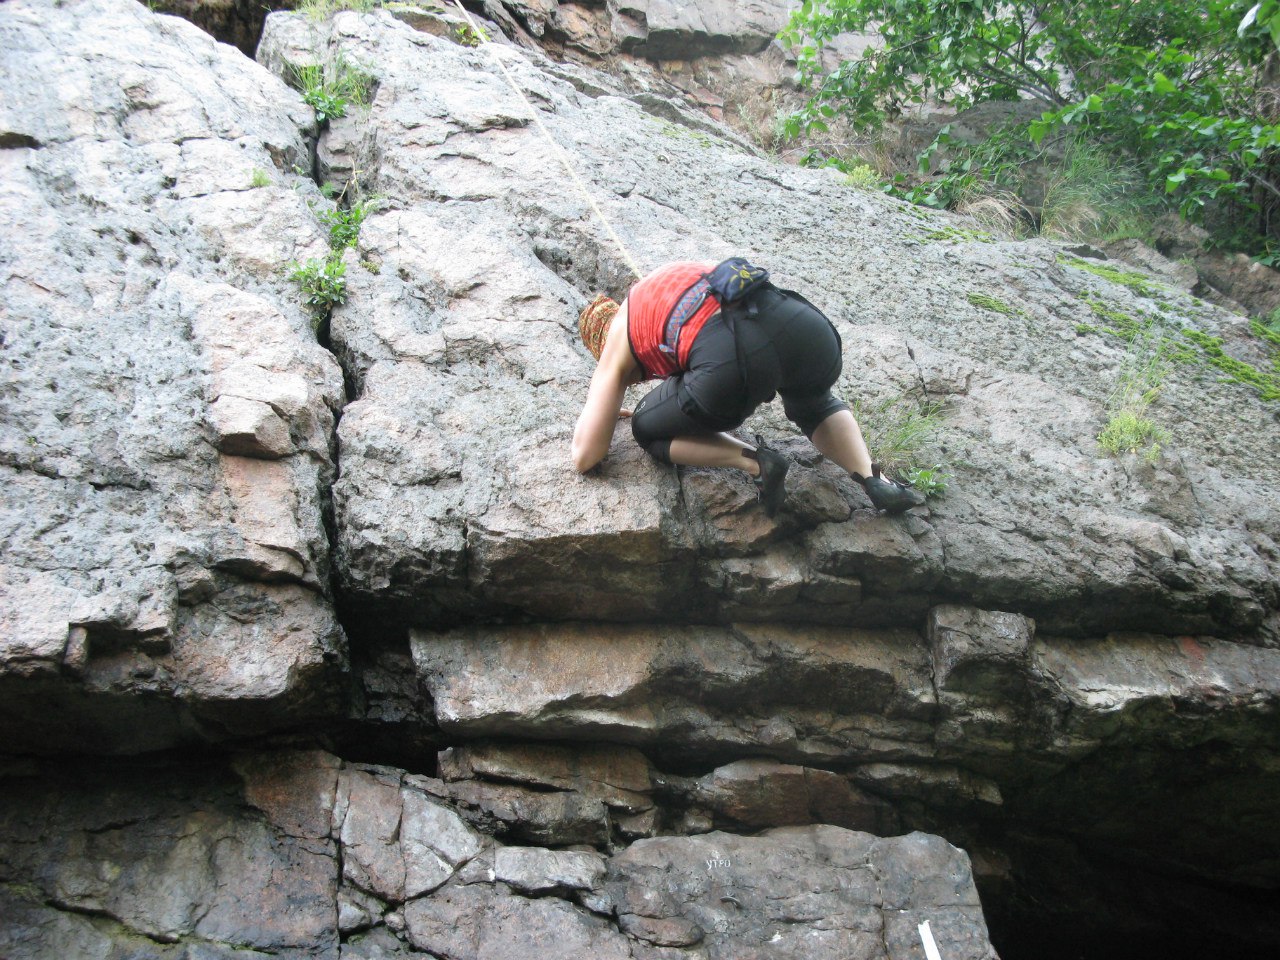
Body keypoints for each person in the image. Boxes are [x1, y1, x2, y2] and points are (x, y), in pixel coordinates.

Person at [570, 259, 925, 516]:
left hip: (736, 355)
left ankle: (758, 464)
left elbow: (586, 456)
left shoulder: (617, 335)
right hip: (807, 328)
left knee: (646, 427)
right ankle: (875, 481)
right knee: (814, 403)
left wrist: (621, 409)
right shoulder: (667, 279)